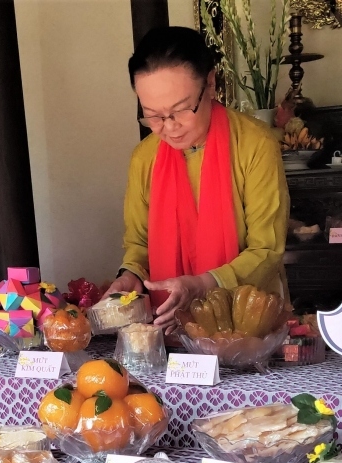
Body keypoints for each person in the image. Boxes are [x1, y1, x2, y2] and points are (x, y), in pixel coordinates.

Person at [105, 26, 289, 330]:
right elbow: (138, 243)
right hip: (169, 323)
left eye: (181, 110)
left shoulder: (255, 144)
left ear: (211, 83)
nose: (169, 127)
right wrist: (130, 276)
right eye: (153, 115)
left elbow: (266, 250)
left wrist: (204, 284)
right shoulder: (145, 157)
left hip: (247, 321)